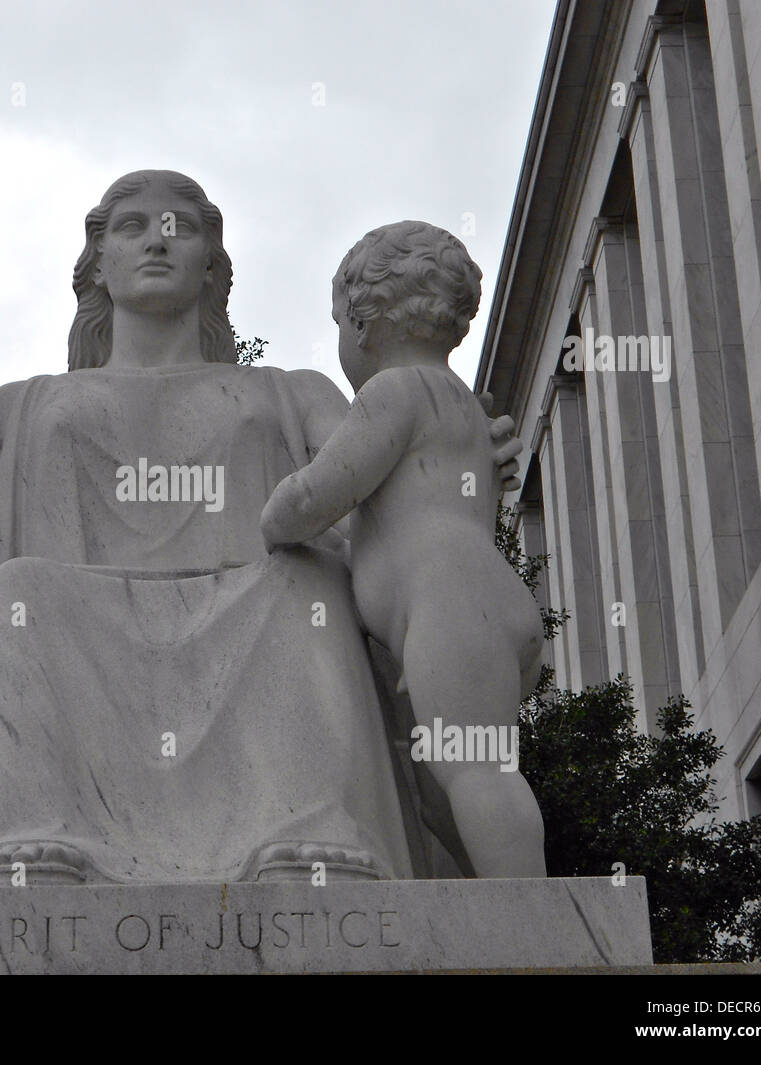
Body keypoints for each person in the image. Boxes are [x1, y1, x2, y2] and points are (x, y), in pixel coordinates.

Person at [0, 173, 526, 888]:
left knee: (303, 583)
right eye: (132, 226)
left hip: (265, 627)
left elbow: (381, 511)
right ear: (98, 262)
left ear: (213, 266)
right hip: (63, 638)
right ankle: (29, 844)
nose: (158, 239)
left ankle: (312, 837)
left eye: (180, 228)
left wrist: (456, 467)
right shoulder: (24, 406)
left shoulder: (290, 392)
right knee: (17, 592)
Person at [261, 221, 546, 876]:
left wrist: (275, 515)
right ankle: (494, 892)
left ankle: (531, 916)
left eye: (339, 324)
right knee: (442, 783)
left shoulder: (394, 393)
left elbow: (321, 493)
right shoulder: (461, 406)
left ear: (362, 322)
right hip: (473, 606)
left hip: (448, 608)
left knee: (477, 772)